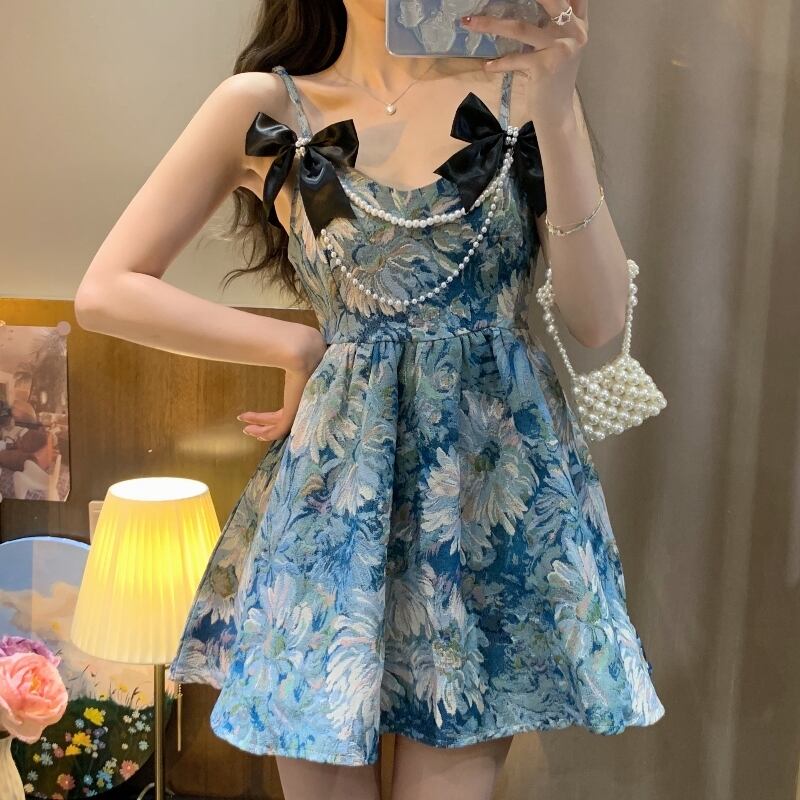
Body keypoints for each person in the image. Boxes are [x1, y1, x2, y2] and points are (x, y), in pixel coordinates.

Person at [74, 1, 664, 798]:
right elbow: (107, 291)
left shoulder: (523, 91)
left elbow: (598, 320)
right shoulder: (267, 107)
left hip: (485, 505)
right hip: (335, 504)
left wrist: (556, 110)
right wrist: (291, 345)